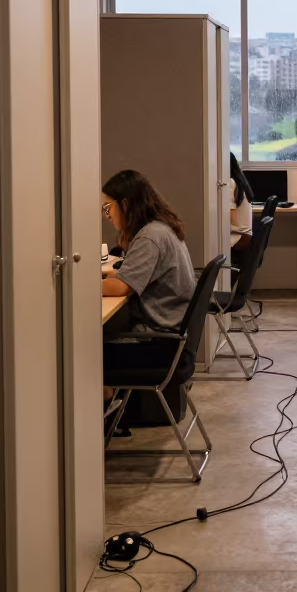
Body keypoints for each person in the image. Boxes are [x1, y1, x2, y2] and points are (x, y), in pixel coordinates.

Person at [101, 169, 196, 429]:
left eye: (107, 208)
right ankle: (110, 411)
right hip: (172, 339)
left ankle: (104, 418)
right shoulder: (162, 228)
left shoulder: (150, 237)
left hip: (158, 346)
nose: (107, 216)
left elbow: (120, 287)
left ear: (126, 204)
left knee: (82, 355)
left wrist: (81, 284)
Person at [229, 152, 253, 256]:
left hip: (238, 238)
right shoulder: (240, 181)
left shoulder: (230, 182)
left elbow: (232, 220)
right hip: (245, 237)